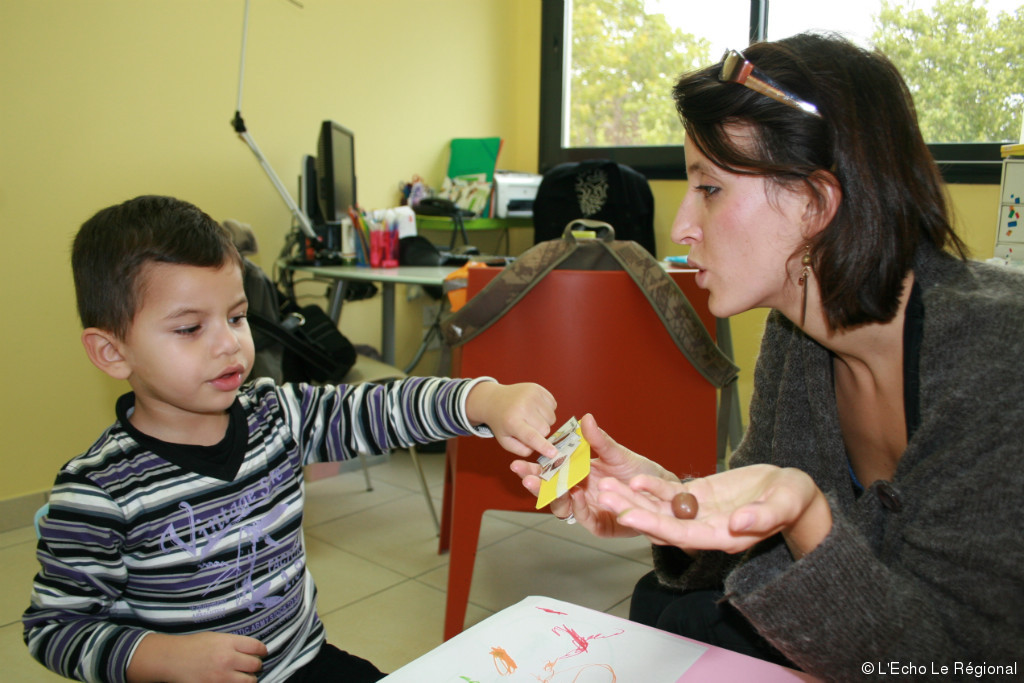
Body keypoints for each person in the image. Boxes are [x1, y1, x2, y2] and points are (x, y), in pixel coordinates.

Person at [512, 32, 1024, 679]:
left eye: (711, 189)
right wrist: (669, 501)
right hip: (850, 638)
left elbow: (952, 662)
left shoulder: (1000, 358)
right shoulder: (796, 329)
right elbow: (753, 502)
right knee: (664, 608)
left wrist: (809, 517)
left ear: (814, 201)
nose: (680, 227)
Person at [23, 195, 559, 683]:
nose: (228, 344)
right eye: (190, 329)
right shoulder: (96, 491)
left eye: (236, 317)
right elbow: (55, 628)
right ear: (112, 352)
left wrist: (481, 400)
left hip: (303, 660)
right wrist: (159, 656)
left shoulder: (277, 414)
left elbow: (378, 407)